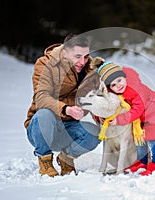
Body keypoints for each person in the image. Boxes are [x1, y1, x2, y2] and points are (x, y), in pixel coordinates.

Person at [24, 34, 103, 177]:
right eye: (77, 56)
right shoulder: (45, 64)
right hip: (42, 129)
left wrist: (103, 115)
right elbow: (41, 98)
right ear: (65, 53)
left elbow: (96, 97)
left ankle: (66, 158)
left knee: (95, 132)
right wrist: (66, 109)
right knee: (44, 114)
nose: (82, 61)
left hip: (68, 127)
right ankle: (45, 160)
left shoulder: (91, 70)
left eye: (85, 56)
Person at [97, 62, 155, 176]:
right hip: (143, 119)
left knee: (151, 139)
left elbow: (137, 110)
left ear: (124, 77)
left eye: (119, 80)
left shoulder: (136, 90)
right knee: (139, 140)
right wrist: (102, 117)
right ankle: (142, 162)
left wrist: (118, 120)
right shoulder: (121, 94)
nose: (118, 85)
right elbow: (112, 106)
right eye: (113, 85)